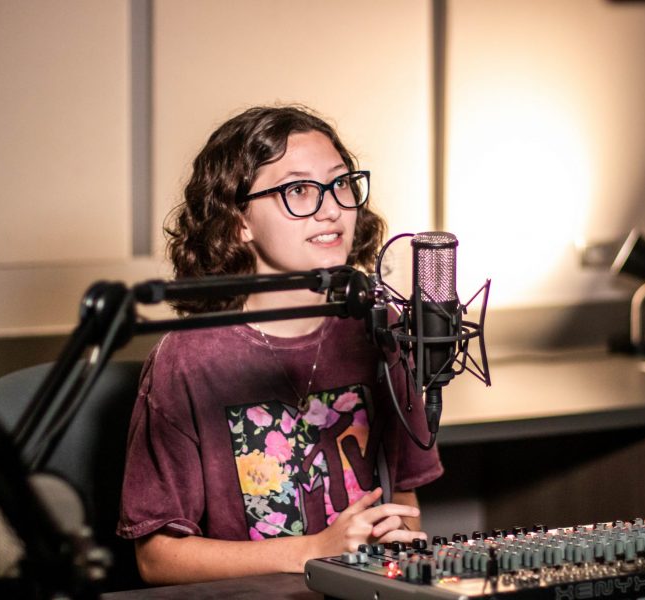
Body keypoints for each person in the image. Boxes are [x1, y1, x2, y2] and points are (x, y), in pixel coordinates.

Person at [116, 105, 443, 584]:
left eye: (341, 184)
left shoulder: (381, 329)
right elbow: (157, 558)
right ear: (238, 221)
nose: (332, 208)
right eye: (298, 190)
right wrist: (313, 551)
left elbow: (405, 498)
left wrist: (394, 544)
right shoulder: (188, 360)